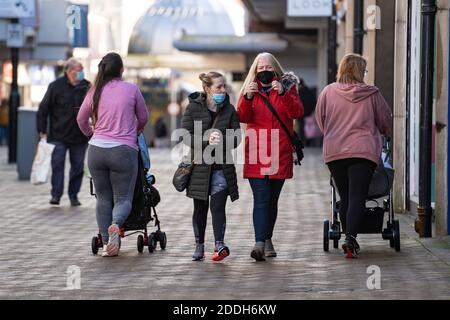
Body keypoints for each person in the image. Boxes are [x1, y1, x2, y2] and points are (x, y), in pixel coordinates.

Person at [315, 53, 392, 258]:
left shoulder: (328, 92)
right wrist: (384, 132)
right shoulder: (372, 94)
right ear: (360, 71)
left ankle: (348, 237)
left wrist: (333, 134)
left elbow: (321, 120)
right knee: (358, 195)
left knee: (345, 195)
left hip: (335, 151)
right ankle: (350, 238)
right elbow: (385, 121)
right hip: (363, 151)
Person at [77, 52, 148, 257]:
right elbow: (143, 117)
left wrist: (92, 135)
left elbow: (81, 120)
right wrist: (135, 130)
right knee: (123, 198)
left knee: (102, 198)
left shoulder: (94, 91)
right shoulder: (131, 89)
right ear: (121, 70)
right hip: (123, 150)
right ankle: (116, 225)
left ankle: (107, 244)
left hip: (96, 150)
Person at [237, 52, 304, 261]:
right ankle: (259, 243)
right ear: (255, 71)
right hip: (257, 150)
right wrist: (247, 98)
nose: (264, 71)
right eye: (260, 68)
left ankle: (267, 239)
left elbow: (297, 112)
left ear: (275, 69)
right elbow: (242, 117)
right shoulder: (250, 89)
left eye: (268, 68)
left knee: (272, 200)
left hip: (279, 151)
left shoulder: (288, 87)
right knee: (262, 198)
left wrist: (284, 93)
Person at [181, 72, 241, 262]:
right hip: (199, 168)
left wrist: (224, 139)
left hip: (221, 168)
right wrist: (206, 139)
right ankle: (199, 245)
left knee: (217, 207)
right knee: (200, 209)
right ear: (207, 89)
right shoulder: (192, 108)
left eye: (224, 86)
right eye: (218, 87)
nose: (223, 90)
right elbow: (185, 136)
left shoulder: (229, 109)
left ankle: (219, 244)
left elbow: (237, 137)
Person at [37, 58, 90, 206]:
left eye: (82, 69)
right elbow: (43, 109)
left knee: (78, 167)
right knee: (58, 165)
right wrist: (41, 130)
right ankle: (56, 195)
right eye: (77, 70)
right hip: (58, 135)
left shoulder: (87, 86)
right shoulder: (55, 86)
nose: (80, 72)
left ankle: (73, 196)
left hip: (79, 136)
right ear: (68, 71)